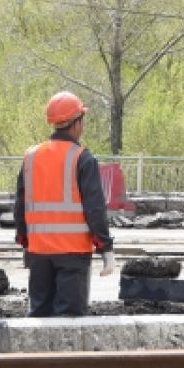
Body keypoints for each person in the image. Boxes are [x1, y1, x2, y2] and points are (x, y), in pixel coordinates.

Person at [14, 91, 115, 317]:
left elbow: (20, 203)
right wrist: (106, 248)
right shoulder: (82, 158)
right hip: (73, 254)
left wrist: (25, 240)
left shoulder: (31, 156)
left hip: (39, 253)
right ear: (76, 123)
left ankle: (38, 354)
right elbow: (95, 209)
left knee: (39, 316)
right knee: (68, 322)